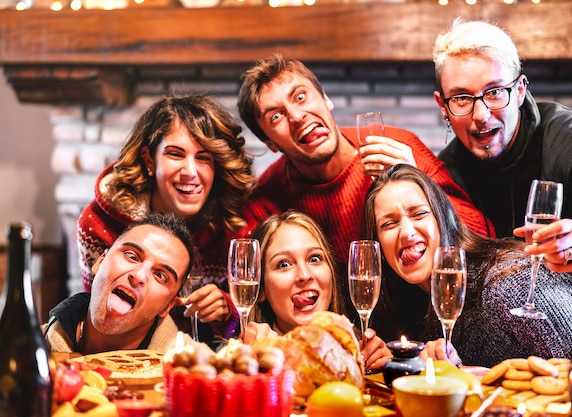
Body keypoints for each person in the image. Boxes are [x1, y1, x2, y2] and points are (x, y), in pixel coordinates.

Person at [237, 53, 493, 320]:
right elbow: (246, 294)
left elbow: (481, 234)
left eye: (300, 97)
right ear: (270, 143)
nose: (297, 116)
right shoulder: (265, 200)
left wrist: (419, 184)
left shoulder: (394, 145)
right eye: (276, 116)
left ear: (325, 99)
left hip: (424, 322)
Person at [432, 19, 572, 276]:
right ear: (443, 106)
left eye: (494, 92)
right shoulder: (447, 172)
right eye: (462, 98)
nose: (480, 114)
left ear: (520, 90)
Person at [364, 164, 572, 368]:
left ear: (443, 219)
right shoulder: (420, 305)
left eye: (419, 213)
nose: (406, 232)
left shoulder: (508, 284)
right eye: (389, 223)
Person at [77, 94, 256, 340]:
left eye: (204, 158)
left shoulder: (236, 226)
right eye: (175, 154)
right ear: (149, 159)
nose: (190, 172)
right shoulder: (98, 224)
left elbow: (249, 326)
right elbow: (99, 320)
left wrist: (227, 311)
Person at [245, 210, 392, 371]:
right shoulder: (245, 358)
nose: (304, 275)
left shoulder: (356, 352)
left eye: (314, 259)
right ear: (260, 290)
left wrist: (386, 372)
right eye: (284, 264)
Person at [45, 212, 201, 353]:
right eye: (132, 256)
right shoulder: (33, 349)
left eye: (160, 275)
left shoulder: (197, 371)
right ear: (101, 261)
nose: (139, 276)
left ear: (167, 306)